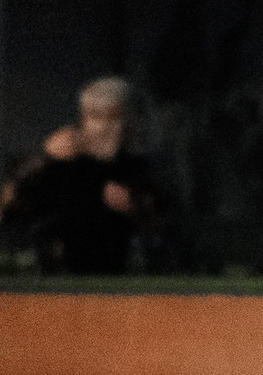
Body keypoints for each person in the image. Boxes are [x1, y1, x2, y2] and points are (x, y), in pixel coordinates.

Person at [2, 76, 166, 276]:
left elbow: (162, 229)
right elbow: (10, 205)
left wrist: (136, 207)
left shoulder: (135, 168)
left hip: (114, 280)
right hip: (48, 281)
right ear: (82, 120)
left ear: (128, 122)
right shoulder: (59, 162)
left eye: (114, 118)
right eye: (95, 117)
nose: (104, 128)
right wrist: (43, 158)